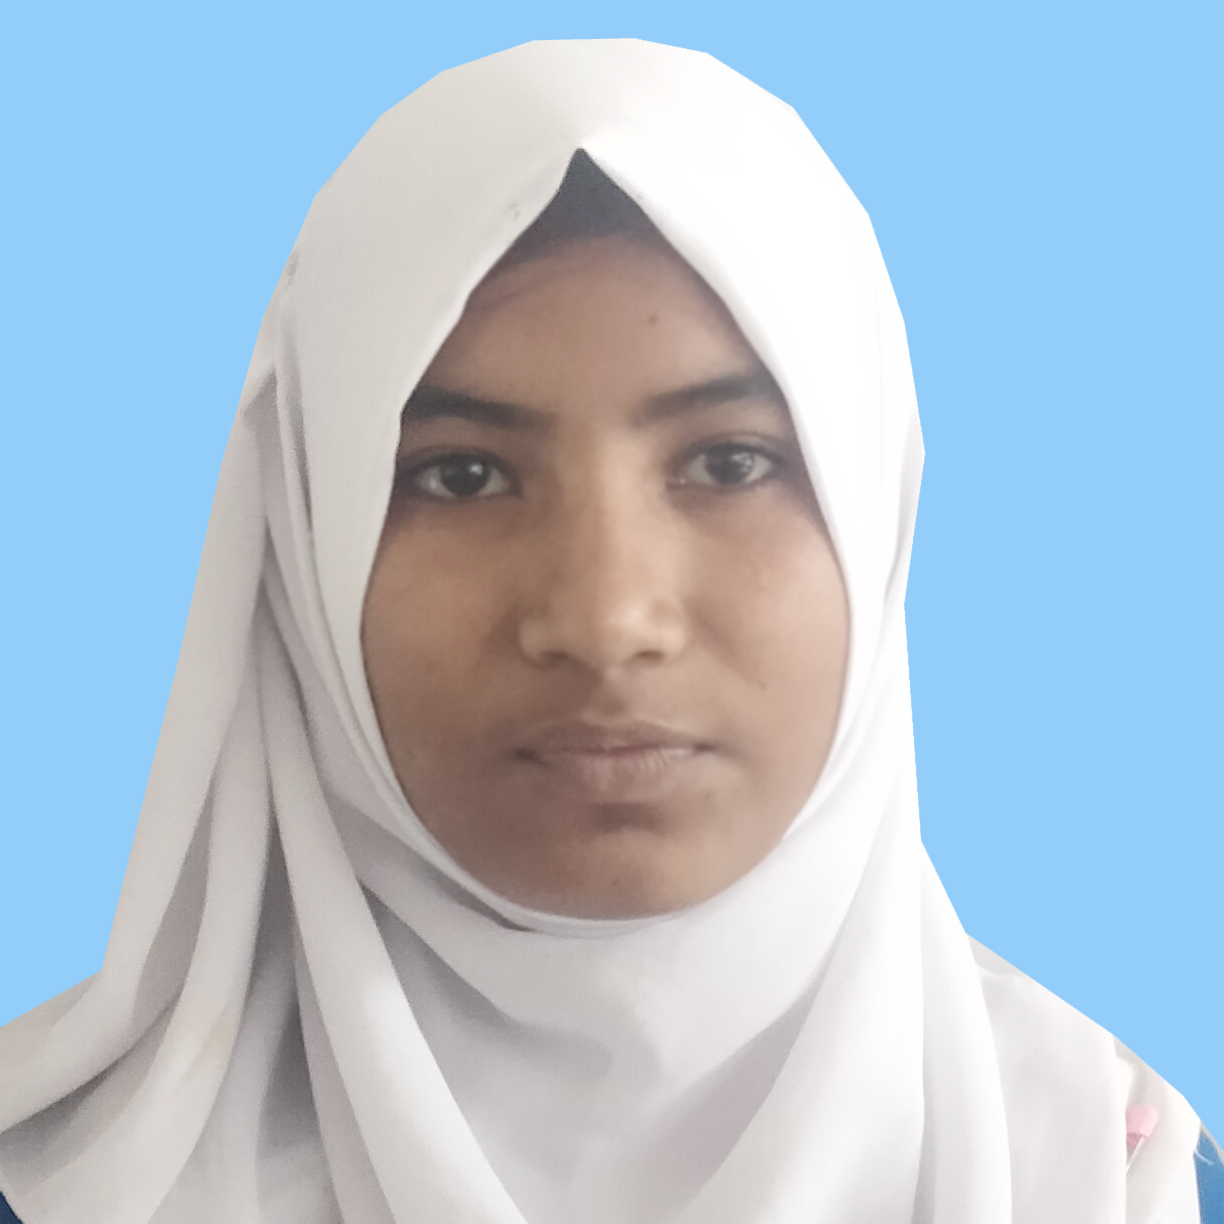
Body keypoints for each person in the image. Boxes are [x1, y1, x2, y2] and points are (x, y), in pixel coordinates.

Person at [0, 38, 1217, 1224]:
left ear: (876, 520)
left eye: (730, 462)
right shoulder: (68, 1185)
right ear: (305, 537)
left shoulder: (1110, 1181)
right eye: (462, 475)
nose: (604, 618)